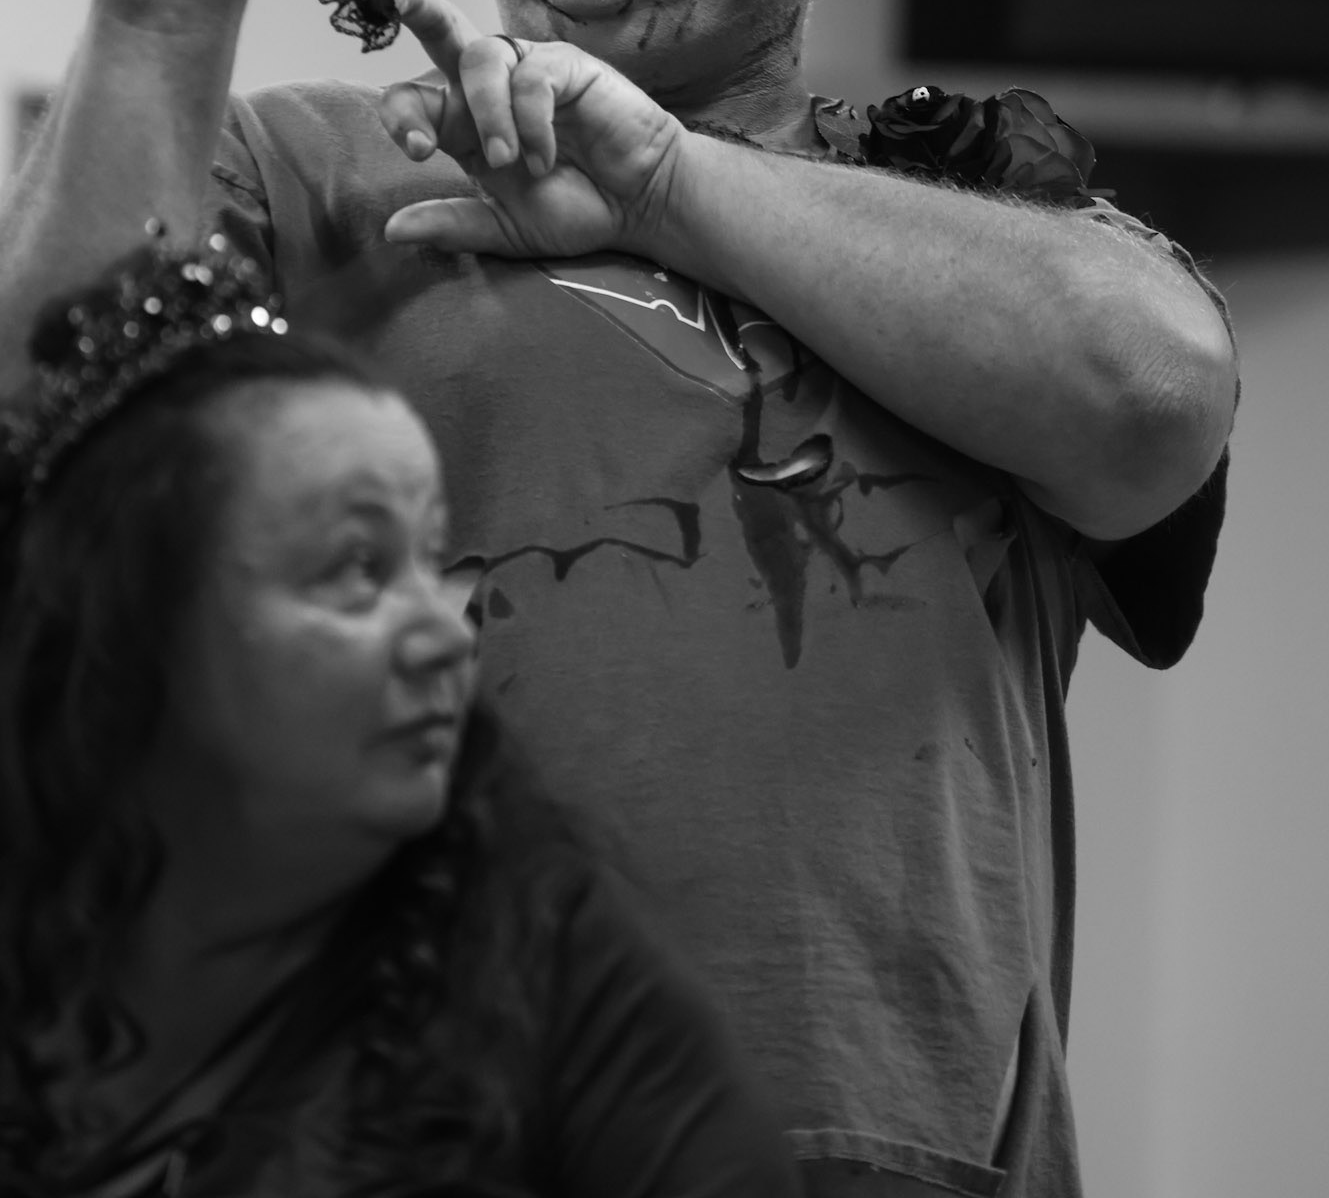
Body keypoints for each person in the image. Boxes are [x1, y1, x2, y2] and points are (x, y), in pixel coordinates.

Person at [0, 0, 1239, 1198]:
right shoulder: (318, 172)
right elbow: (44, 450)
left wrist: (660, 182)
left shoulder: (966, 209)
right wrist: (161, 13)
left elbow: (1153, 396)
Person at [0, 236, 798, 1197]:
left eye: (432, 559)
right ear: (132, 627)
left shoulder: (548, 966)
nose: (448, 636)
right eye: (357, 569)